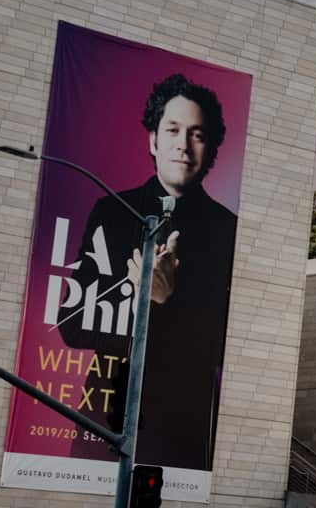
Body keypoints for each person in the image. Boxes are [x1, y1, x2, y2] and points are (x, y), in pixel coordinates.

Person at [59, 74, 240, 469]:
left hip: (183, 432)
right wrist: (138, 297)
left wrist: (165, 300)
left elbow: (225, 346)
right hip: (104, 423)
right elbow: (71, 325)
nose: (183, 144)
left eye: (197, 134)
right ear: (153, 140)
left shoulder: (230, 231)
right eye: (172, 129)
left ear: (210, 150)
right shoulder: (110, 212)